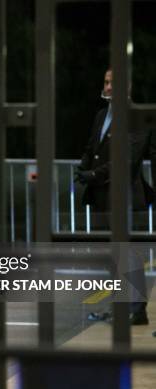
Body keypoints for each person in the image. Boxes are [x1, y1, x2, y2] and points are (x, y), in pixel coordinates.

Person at [76, 68, 155, 325]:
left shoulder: (138, 118)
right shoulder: (102, 115)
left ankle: (136, 309)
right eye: (106, 81)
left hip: (125, 196)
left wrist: (93, 175)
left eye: (114, 82)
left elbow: (127, 161)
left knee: (129, 254)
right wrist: (83, 166)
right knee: (113, 254)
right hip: (102, 197)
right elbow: (91, 147)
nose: (109, 87)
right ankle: (122, 306)